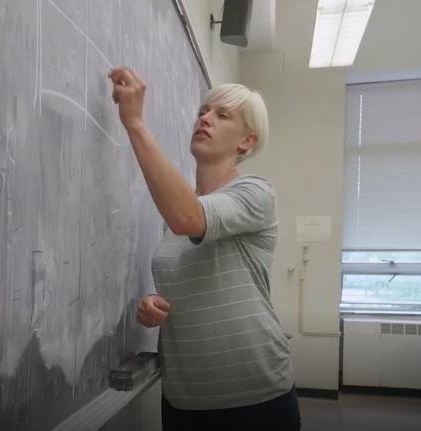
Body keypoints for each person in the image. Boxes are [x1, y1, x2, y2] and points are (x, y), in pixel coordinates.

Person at [113, 68, 297, 430]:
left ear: (246, 142)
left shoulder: (255, 193)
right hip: (184, 398)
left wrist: (135, 123)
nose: (205, 118)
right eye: (203, 111)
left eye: (222, 115)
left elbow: (190, 219)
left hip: (254, 398)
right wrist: (154, 303)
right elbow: (191, 265)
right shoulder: (180, 213)